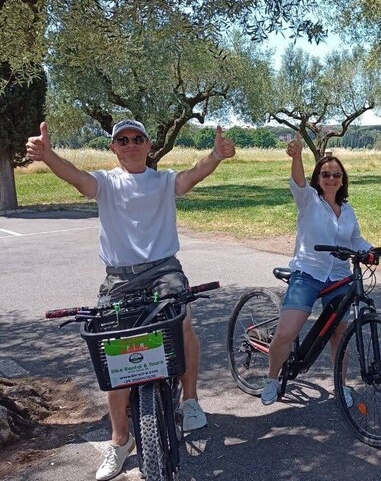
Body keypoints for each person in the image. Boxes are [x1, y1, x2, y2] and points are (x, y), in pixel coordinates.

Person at [26, 119, 235, 481]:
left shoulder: (163, 180)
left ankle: (189, 399)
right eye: (123, 140)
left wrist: (216, 155)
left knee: (181, 321)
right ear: (114, 148)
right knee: (114, 353)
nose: (131, 144)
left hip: (163, 269)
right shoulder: (106, 183)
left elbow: (192, 176)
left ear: (149, 145)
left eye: (137, 138)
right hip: (119, 277)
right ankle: (120, 440)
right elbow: (76, 177)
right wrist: (48, 156)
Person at [260, 133, 381, 407]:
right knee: (286, 333)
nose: (331, 179)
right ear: (318, 178)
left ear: (343, 178)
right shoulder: (309, 200)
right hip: (308, 274)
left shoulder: (347, 210)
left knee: (339, 335)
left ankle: (340, 385)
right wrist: (297, 157)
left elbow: (356, 240)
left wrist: (376, 251)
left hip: (338, 277)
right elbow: (298, 183)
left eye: (336, 174)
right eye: (325, 174)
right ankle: (272, 378)